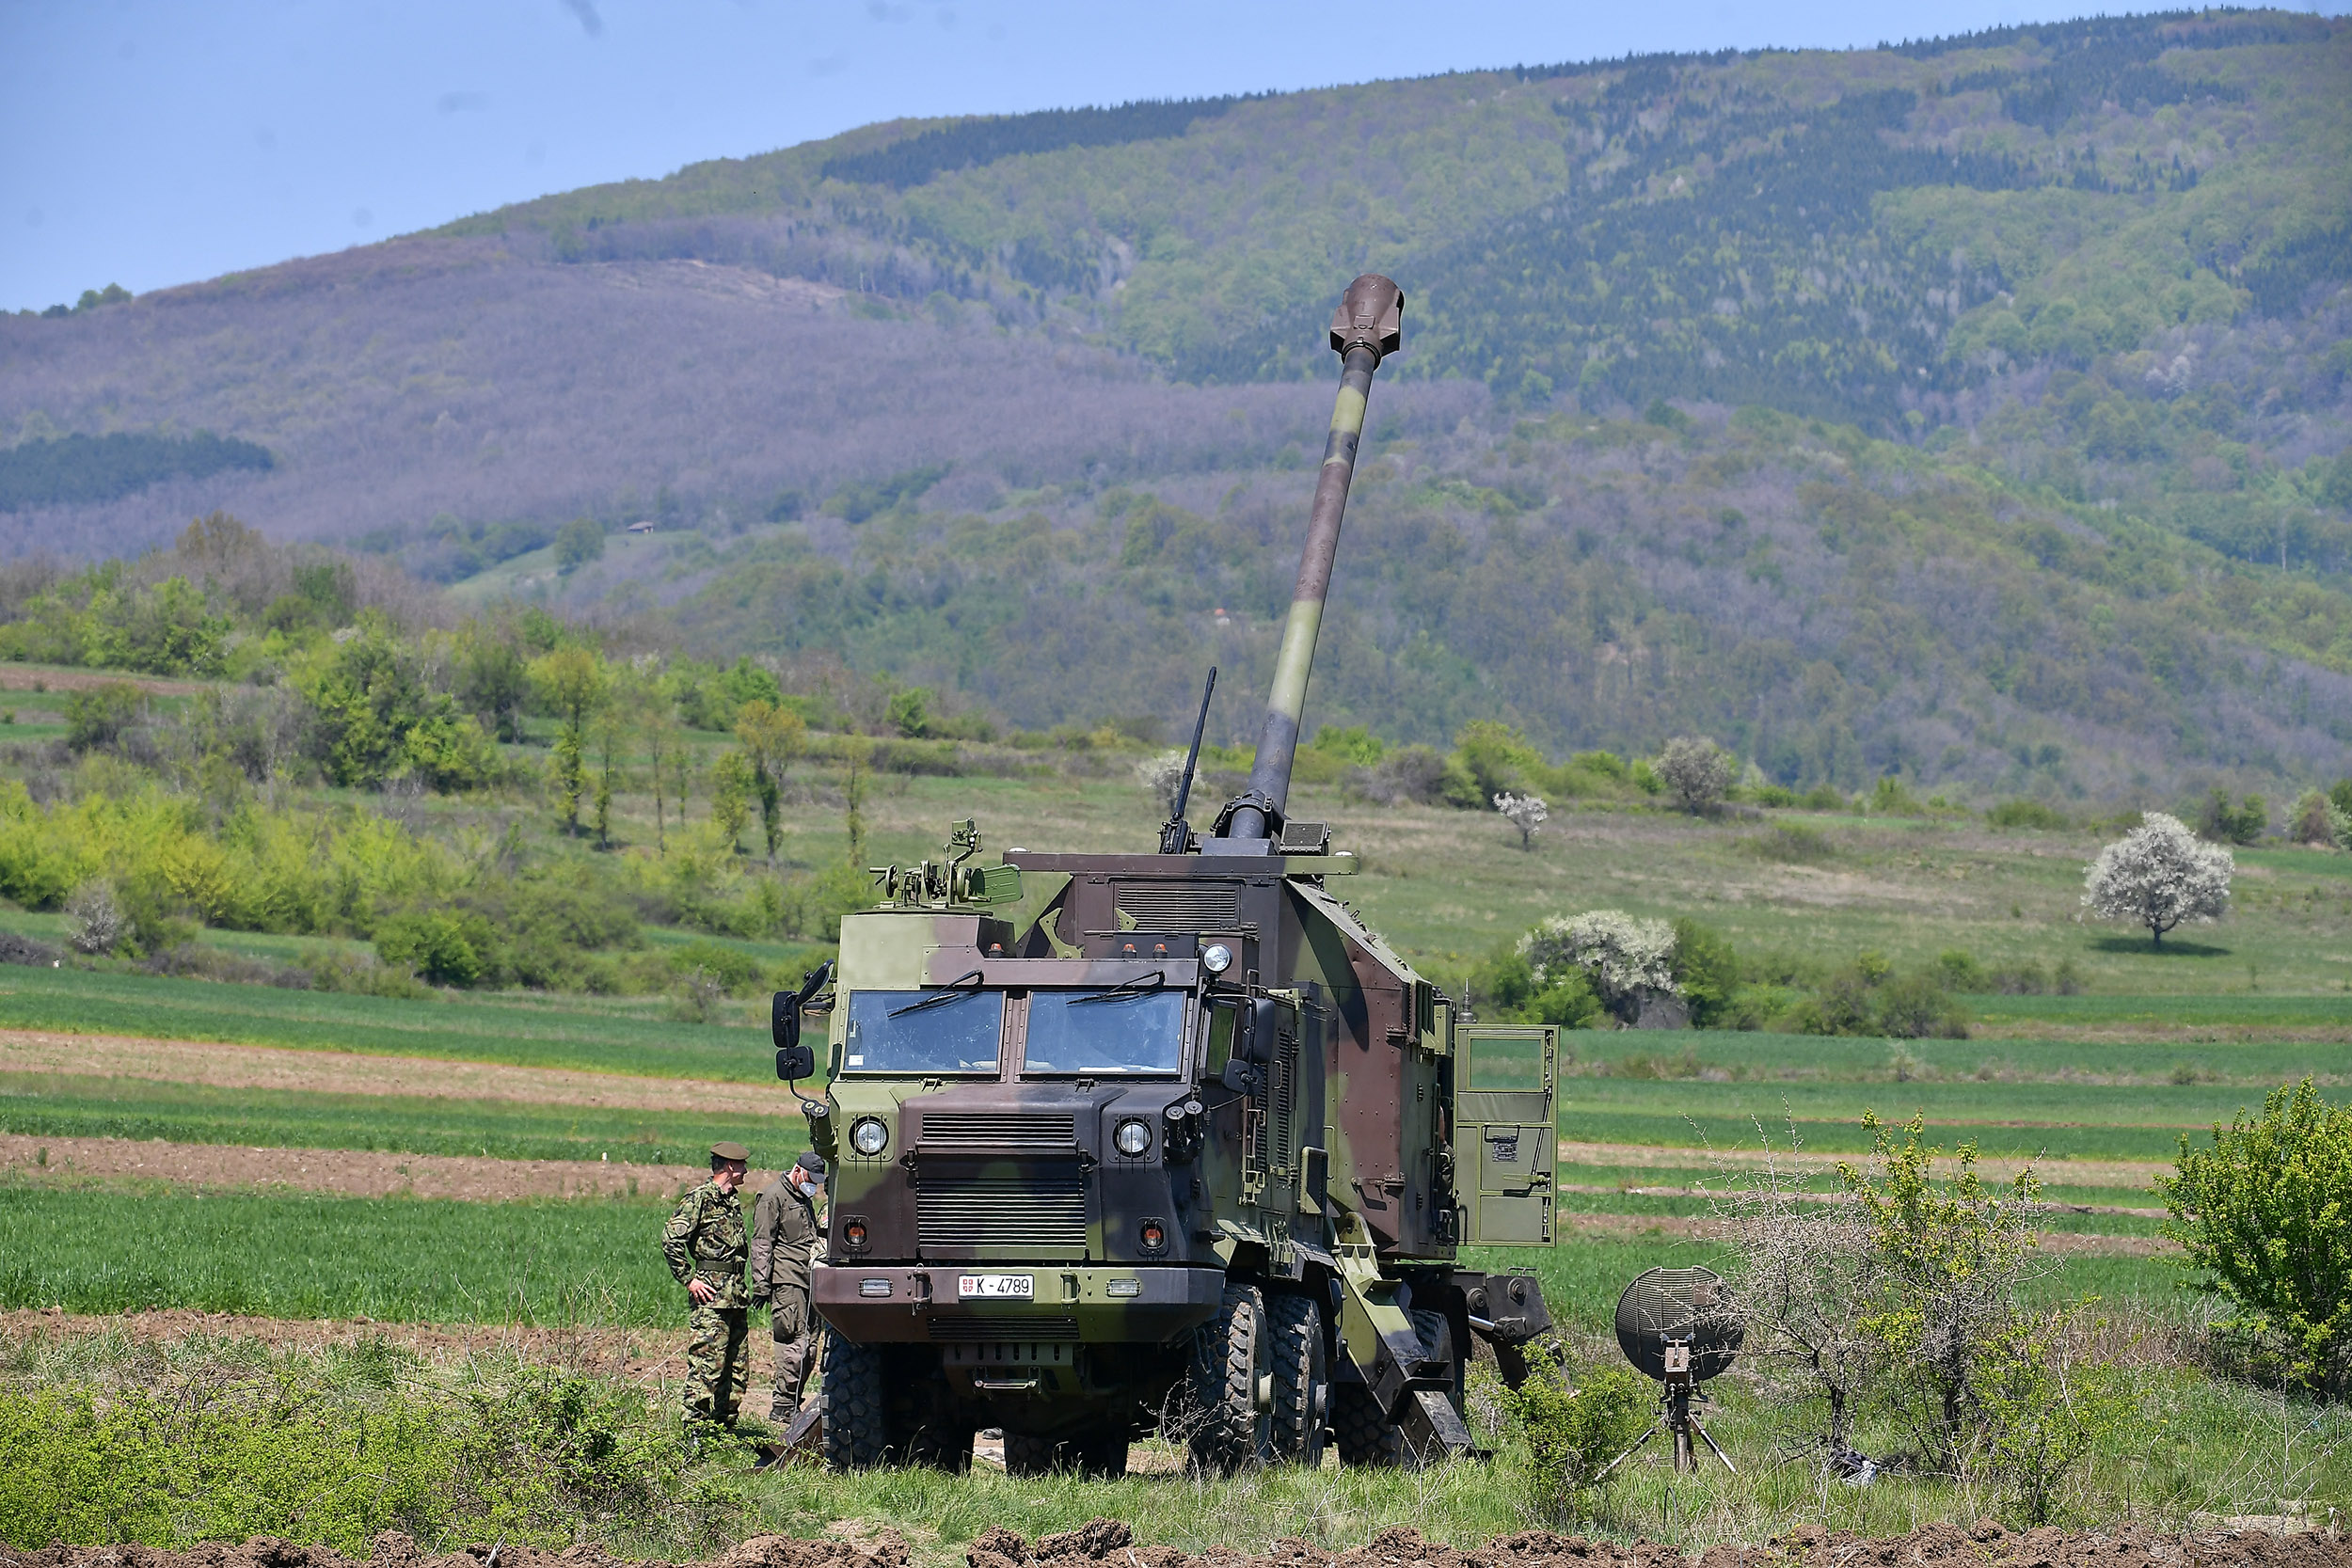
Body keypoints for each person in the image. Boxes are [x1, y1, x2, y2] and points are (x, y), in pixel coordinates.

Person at [662, 1141, 752, 1431]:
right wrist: (690, 1279)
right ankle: (695, 1432)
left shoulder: (731, 1200)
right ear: (729, 1166)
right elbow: (671, 1240)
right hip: (711, 1299)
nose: (746, 1171)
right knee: (706, 1367)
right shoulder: (700, 1198)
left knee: (736, 1368)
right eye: (741, 1166)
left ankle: (725, 1428)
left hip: (735, 1296)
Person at [751, 1150, 827, 1420]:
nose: (813, 1186)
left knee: (811, 1347)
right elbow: (762, 1243)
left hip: (808, 1280)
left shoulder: (803, 1198)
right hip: (786, 1281)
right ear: (797, 1171)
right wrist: (761, 1282)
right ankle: (783, 1406)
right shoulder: (773, 1197)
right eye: (810, 1179)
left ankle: (792, 1403)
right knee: (794, 1344)